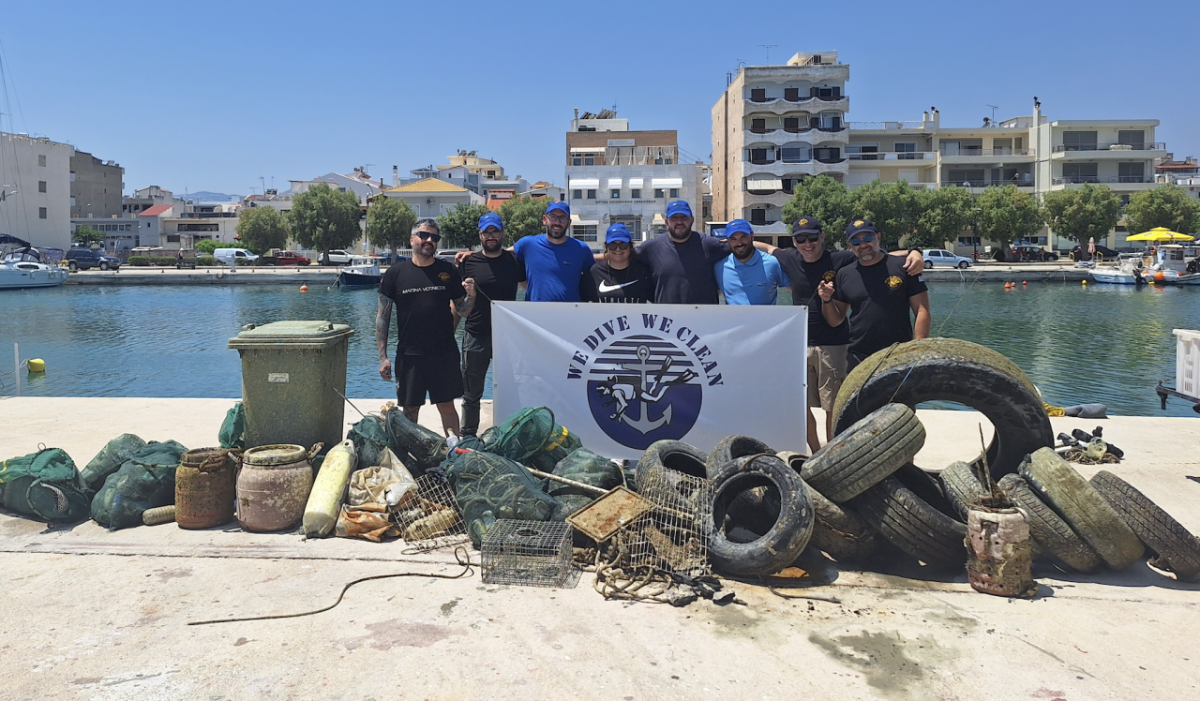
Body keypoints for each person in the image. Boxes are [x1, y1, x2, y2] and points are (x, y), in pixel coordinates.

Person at [376, 218, 476, 437]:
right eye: (424, 235)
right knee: (410, 410)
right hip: (409, 355)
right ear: (412, 239)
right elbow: (383, 317)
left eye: (434, 237)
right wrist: (382, 356)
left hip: (444, 353)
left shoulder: (447, 271)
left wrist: (471, 296)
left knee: (447, 406)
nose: (429, 240)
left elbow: (463, 310)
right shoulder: (395, 273)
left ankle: (454, 452)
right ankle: (411, 453)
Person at [818, 219, 931, 372]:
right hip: (858, 355)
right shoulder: (844, 274)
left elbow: (922, 311)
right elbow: (835, 321)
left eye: (868, 238)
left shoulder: (904, 266)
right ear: (850, 246)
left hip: (899, 353)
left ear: (878, 237)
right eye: (856, 241)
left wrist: (917, 350)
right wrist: (826, 300)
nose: (863, 245)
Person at [456, 212, 526, 437]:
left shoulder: (515, 262)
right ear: (480, 235)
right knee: (471, 393)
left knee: (512, 390)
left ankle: (509, 437)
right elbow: (459, 306)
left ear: (503, 233)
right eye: (487, 232)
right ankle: (468, 437)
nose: (491, 236)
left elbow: (529, 290)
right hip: (476, 335)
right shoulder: (467, 262)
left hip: (508, 337)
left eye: (495, 231)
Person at [634, 200, 729, 304]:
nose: (679, 222)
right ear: (667, 222)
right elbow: (621, 256)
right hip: (666, 317)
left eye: (684, 218)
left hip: (704, 317)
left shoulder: (708, 244)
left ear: (692, 220)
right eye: (674, 218)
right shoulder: (651, 248)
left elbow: (741, 248)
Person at [511, 201, 594, 301]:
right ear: (544, 219)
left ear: (569, 223)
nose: (557, 222)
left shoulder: (582, 249)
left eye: (562, 218)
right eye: (553, 217)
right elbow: (504, 256)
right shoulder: (527, 244)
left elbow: (593, 277)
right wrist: (528, 287)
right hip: (535, 313)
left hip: (571, 313)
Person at [712, 219, 790, 305]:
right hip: (732, 318)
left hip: (766, 318)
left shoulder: (772, 263)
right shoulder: (720, 267)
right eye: (733, 239)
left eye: (743, 237)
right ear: (727, 241)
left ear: (752, 236)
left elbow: (795, 290)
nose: (739, 243)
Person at [582, 223, 655, 303]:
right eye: (612, 245)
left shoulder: (644, 273)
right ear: (606, 247)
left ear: (630, 246)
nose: (618, 249)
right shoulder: (593, 273)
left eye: (623, 245)